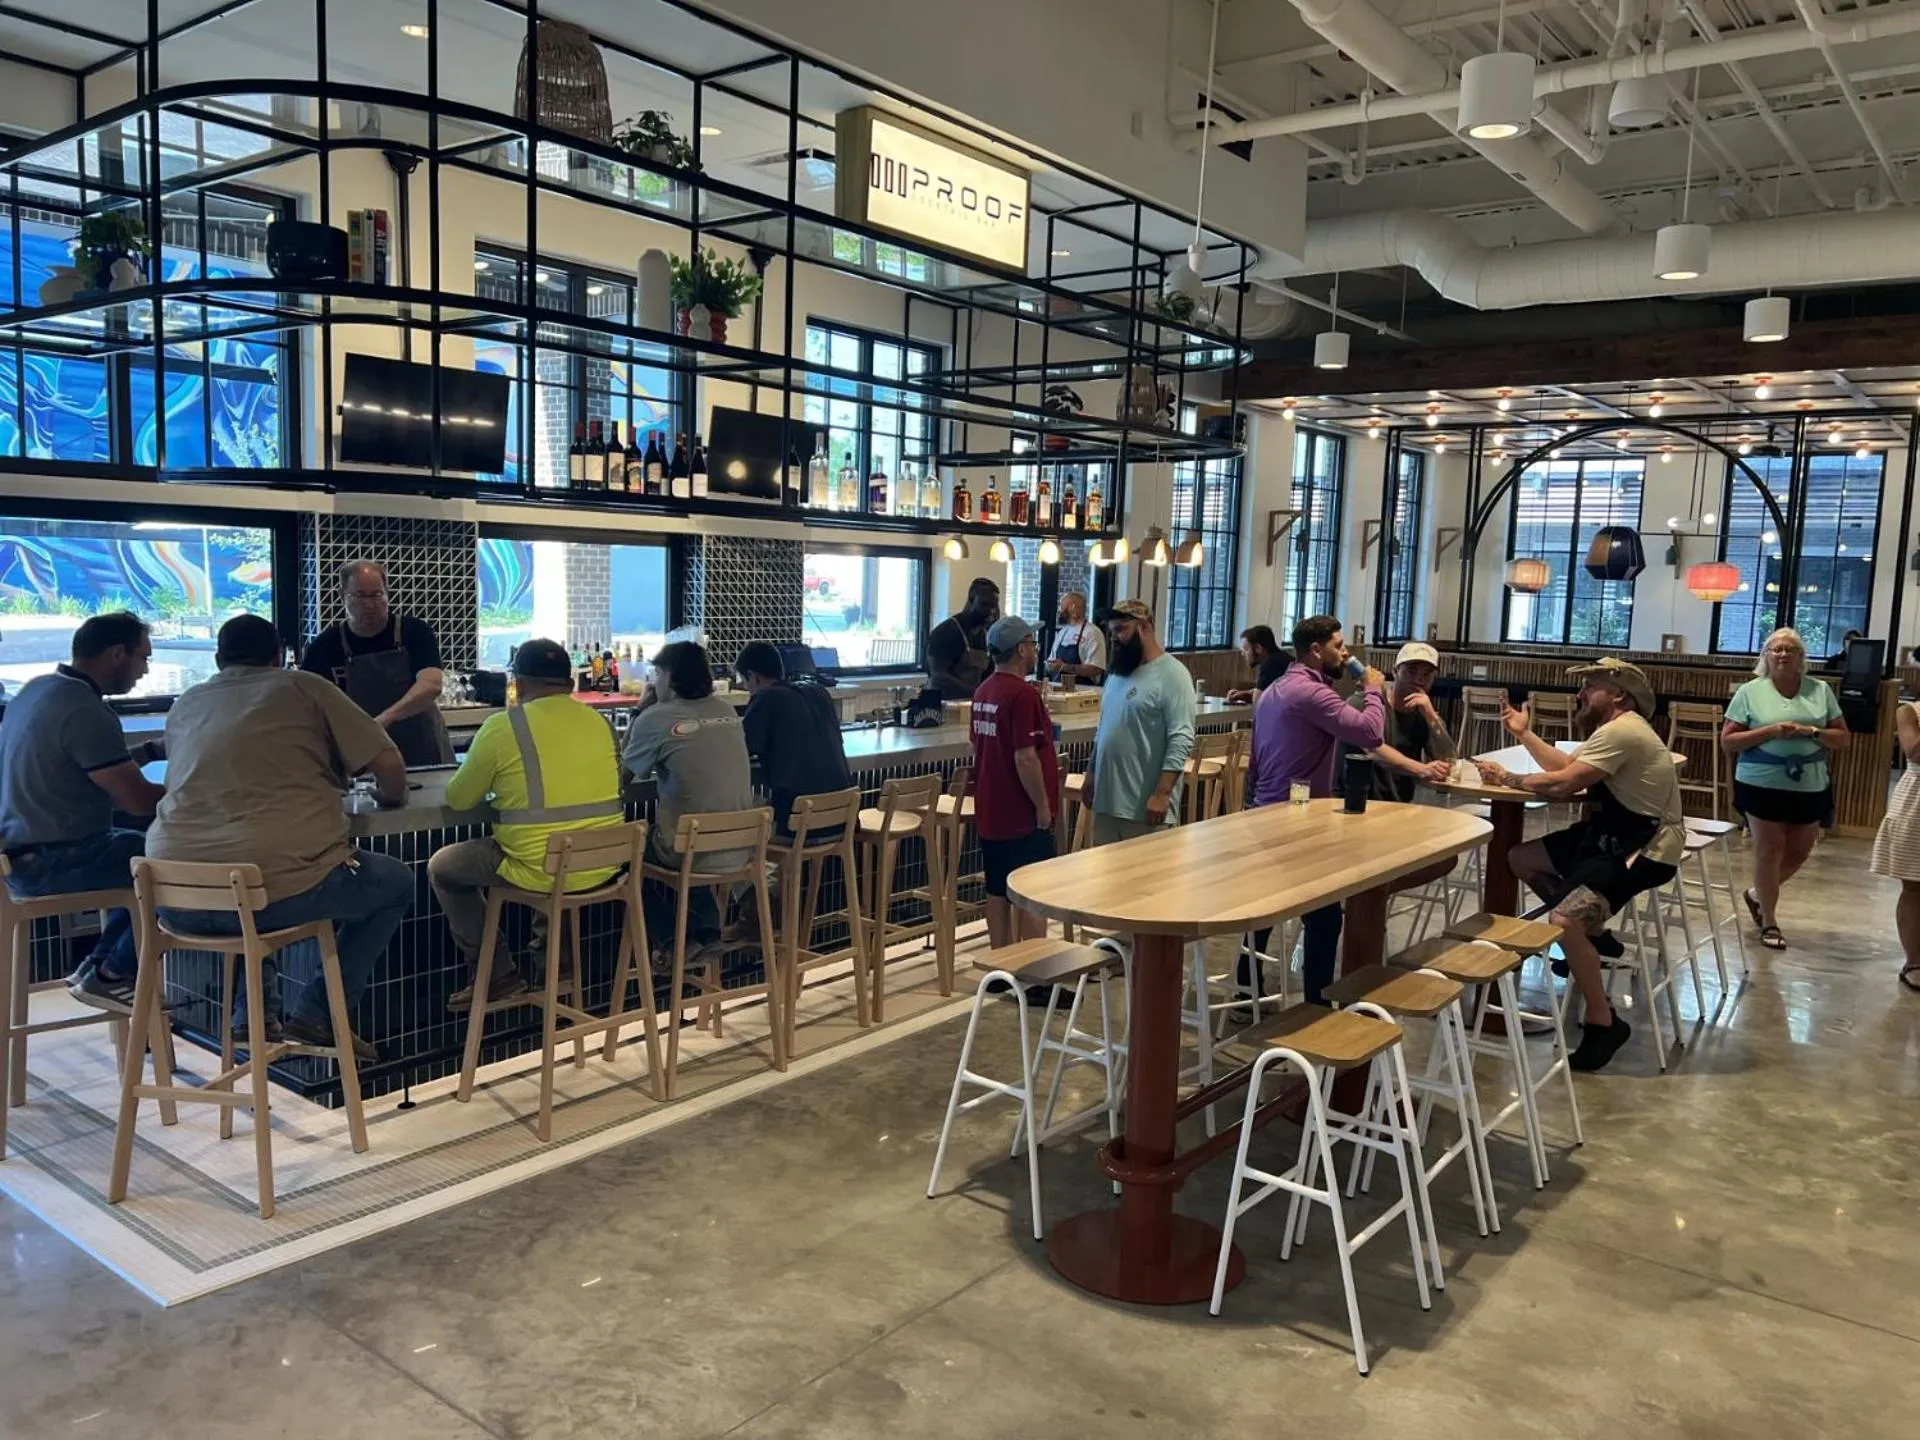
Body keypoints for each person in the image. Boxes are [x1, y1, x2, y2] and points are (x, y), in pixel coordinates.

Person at [148, 615, 411, 1058]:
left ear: (218, 659)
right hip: (269, 896)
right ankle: (318, 1016)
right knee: (395, 882)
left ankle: (252, 1019)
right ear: (279, 656)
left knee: (250, 878)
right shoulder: (303, 687)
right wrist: (391, 797)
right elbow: (388, 764)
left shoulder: (187, 702)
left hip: (173, 900)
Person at [1477, 658, 1687, 1074]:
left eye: (1591, 686)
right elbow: (1565, 768)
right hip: (1610, 836)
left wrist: (1507, 778)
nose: (1581, 694)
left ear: (1619, 694)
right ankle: (1594, 936)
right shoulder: (1613, 730)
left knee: (1563, 921)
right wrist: (1524, 734)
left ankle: (1603, 1021)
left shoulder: (1624, 731)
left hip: (1644, 848)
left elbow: (1564, 784)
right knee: (1520, 858)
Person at [431, 639, 625, 1009]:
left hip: (545, 868)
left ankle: (497, 973)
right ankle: (557, 971)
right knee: (554, 853)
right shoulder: (601, 723)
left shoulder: (504, 726)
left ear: (517, 683)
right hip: (605, 866)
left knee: (444, 866)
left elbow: (458, 799)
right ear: (570, 683)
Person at [0, 612, 166, 1013]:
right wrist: (201, 794)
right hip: (55, 861)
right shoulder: (85, 710)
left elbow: (84, 771)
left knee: (139, 849)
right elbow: (137, 802)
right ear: (117, 654)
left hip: (18, 857)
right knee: (174, 863)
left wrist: (150, 751)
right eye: (143, 657)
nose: (145, 671)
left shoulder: (37, 690)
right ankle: (111, 972)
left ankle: (97, 966)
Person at [1248, 616, 1386, 1005]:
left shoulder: (1275, 689)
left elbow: (1255, 758)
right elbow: (1371, 733)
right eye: (1338, 646)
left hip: (1267, 807)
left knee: (1268, 903)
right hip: (1296, 815)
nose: (1346, 653)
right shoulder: (1311, 694)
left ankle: (1248, 982)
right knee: (1324, 916)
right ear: (1315, 650)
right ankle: (1317, 1005)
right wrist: (1373, 690)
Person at [621, 641, 754, 958]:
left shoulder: (655, 717)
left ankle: (671, 942)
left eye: (657, 673)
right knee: (691, 833)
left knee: (623, 851)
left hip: (692, 848)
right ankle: (706, 936)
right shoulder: (726, 711)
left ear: (669, 676)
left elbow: (621, 777)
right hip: (742, 847)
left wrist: (639, 710)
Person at [1721, 627, 1849, 950]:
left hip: (1810, 783)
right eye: (1776, 649)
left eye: (1790, 649)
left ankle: (1756, 895)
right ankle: (1770, 920)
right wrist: (1770, 732)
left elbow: (1842, 738)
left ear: (1801, 657)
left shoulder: (1820, 690)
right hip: (1760, 782)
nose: (1782, 654)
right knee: (1769, 850)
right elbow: (1729, 741)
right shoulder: (1750, 692)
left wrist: (1811, 732)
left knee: (1799, 852)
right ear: (1766, 656)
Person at [300, 559, 452, 767]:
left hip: (421, 745)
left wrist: (385, 718)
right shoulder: (325, 645)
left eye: (376, 595)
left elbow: (431, 684)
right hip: (361, 749)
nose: (370, 604)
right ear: (343, 596)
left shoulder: (414, 631)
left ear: (387, 593)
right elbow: (307, 701)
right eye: (360, 596)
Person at [970, 616, 1060, 946]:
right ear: (1021, 650)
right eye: (1032, 644)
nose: (1036, 650)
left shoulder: (983, 691)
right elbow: (1025, 757)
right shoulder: (1022, 695)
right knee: (1033, 893)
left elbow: (977, 746)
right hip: (1021, 814)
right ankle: (1034, 969)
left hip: (991, 810)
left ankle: (1000, 962)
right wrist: (1042, 806)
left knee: (997, 890)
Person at [1083, 599, 1194, 846]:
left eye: (1121, 630)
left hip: (1146, 809)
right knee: (1103, 871)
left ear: (1145, 626)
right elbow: (1103, 729)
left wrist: (1162, 793)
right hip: (1106, 804)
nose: (1114, 638)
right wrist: (1091, 773)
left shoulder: (1173, 675)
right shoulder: (1117, 674)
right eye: (1112, 631)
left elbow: (1181, 738)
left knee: (1147, 873)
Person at [734, 641, 850, 837]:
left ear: (753, 677)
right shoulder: (819, 692)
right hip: (842, 819)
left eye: (745, 683)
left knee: (742, 824)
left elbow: (741, 748)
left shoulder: (767, 698)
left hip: (800, 826)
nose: (747, 689)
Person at [1359, 640, 1458, 803]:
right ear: (1395, 672)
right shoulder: (1369, 702)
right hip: (1358, 801)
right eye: (1411, 672)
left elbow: (1450, 760)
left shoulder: (1424, 713)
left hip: (1401, 806)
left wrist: (1431, 716)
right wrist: (1422, 769)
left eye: (1426, 674)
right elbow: (1373, 749)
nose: (1419, 679)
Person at [1871, 696, 1920, 993]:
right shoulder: (1909, 711)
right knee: (1915, 885)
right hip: (1916, 803)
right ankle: (1915, 962)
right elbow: (1914, 751)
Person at [926, 578, 1001, 700]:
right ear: (971, 601)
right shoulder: (946, 632)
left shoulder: (986, 635)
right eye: (985, 605)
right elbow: (939, 676)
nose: (991, 611)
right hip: (940, 705)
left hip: (970, 703)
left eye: (994, 606)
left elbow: (989, 674)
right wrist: (977, 692)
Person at [1045, 590, 1107, 686]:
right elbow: (1051, 661)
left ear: (1072, 606)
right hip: (1059, 689)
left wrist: (1064, 667)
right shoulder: (1062, 632)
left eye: (1061, 606)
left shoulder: (1092, 632)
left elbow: (1096, 669)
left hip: (1084, 691)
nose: (1059, 610)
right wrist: (1050, 666)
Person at [1227, 624, 1291, 705]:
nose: (1243, 654)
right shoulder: (1284, 658)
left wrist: (1249, 695)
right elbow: (1266, 693)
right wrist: (1245, 694)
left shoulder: (1270, 664)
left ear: (1258, 648)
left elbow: (1258, 702)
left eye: (1246, 649)